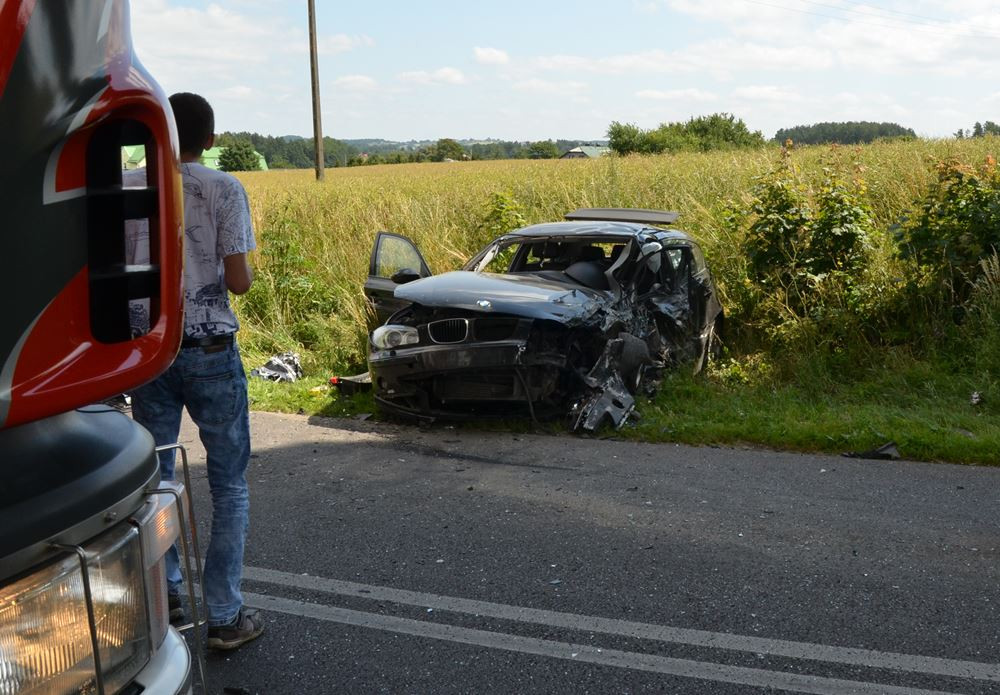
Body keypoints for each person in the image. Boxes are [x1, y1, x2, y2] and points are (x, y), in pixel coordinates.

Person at [130, 92, 262, 651]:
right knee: (228, 486)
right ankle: (226, 617)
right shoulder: (224, 188)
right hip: (209, 349)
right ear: (210, 139)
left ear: (157, 131)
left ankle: (171, 599)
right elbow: (238, 281)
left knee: (154, 480)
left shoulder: (130, 185)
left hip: (146, 351)